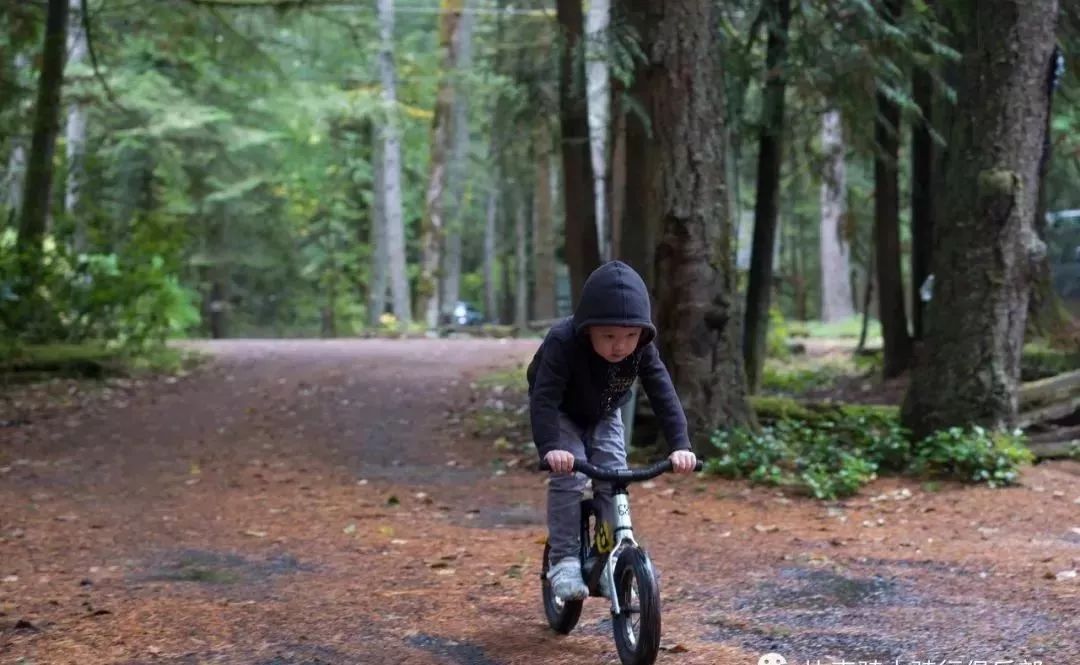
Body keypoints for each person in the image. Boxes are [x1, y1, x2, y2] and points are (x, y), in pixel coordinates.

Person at [527, 260, 697, 602]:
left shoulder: (642, 349)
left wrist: (680, 445)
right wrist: (550, 447)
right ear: (587, 328)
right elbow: (544, 398)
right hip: (561, 411)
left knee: (612, 477)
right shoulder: (563, 341)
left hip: (605, 413)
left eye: (630, 337)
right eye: (608, 336)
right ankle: (564, 560)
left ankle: (608, 557)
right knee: (571, 476)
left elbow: (663, 391)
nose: (620, 346)